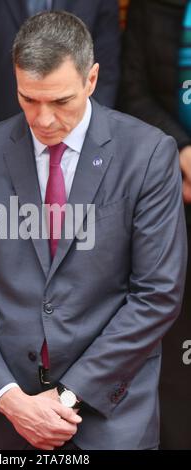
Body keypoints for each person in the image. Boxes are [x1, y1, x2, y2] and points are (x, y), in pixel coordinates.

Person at [0, 11, 187, 450]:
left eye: (61, 101)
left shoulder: (148, 155)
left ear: (92, 79)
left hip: (112, 418)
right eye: (28, 99)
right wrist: (11, 400)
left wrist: (67, 396)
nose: (44, 119)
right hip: (4, 422)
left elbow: (156, 294)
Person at [0, 0, 121, 449]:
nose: (44, 115)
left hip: (80, 176)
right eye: (30, 99)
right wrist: (7, 158)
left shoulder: (133, 153)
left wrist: (79, 151)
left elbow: (107, 75)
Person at [119, 0, 191, 449]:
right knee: (174, 335)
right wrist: (180, 153)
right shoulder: (151, 6)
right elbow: (132, 90)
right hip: (170, 192)